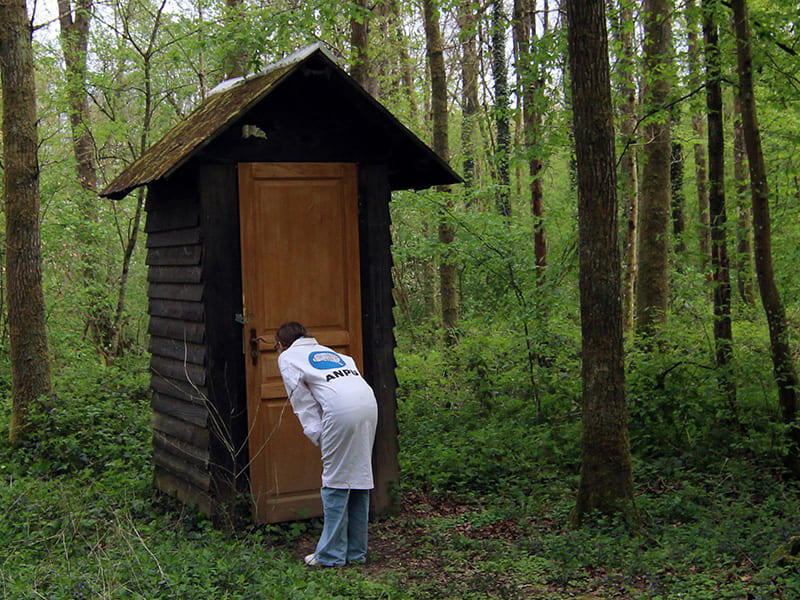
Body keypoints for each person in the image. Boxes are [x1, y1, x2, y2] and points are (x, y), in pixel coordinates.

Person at [275, 321, 378, 567]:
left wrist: (318, 435)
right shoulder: (330, 352)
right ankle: (355, 552)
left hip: (341, 410)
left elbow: (301, 401)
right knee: (358, 476)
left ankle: (330, 555)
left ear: (280, 344)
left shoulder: (288, 357)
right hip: (368, 405)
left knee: (334, 481)